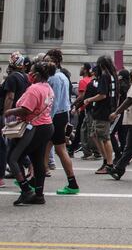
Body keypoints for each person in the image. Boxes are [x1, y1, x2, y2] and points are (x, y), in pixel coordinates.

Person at [4, 61, 56, 206]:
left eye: (31, 71)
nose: (29, 74)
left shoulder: (34, 89)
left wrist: (10, 111)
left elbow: (26, 110)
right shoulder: (48, 88)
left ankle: (26, 189)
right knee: (37, 160)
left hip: (33, 127)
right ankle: (39, 194)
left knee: (13, 158)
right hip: (46, 126)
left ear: (37, 74)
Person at [43, 49, 79, 195]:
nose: (45, 64)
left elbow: (54, 101)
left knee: (59, 150)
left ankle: (72, 183)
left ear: (55, 62)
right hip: (61, 115)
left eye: (47, 61)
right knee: (46, 148)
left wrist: (48, 120)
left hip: (56, 116)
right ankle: (36, 180)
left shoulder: (55, 78)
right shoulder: (62, 76)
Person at [1, 53, 31, 190]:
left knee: (7, 145)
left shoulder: (12, 78)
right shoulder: (25, 77)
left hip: (12, 113)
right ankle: (28, 167)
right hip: (20, 112)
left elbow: (10, 96)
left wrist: (5, 115)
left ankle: (24, 169)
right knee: (14, 143)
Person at [84, 56, 118, 174]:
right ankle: (106, 160)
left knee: (104, 137)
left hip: (103, 110)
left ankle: (108, 163)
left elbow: (103, 95)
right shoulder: (113, 75)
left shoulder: (104, 76)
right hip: (108, 109)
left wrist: (89, 99)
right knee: (95, 135)